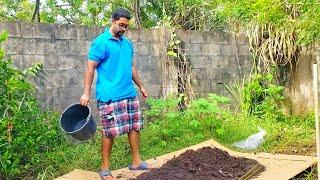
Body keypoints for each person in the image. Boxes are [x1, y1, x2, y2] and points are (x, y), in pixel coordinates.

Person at [79, 8, 148, 180]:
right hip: (109, 96)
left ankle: (136, 161)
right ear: (113, 21)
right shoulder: (101, 42)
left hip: (129, 93)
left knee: (134, 127)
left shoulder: (127, 44)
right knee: (109, 132)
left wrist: (141, 86)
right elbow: (90, 68)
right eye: (121, 25)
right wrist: (86, 93)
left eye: (126, 26)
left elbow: (131, 67)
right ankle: (104, 168)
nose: (124, 29)